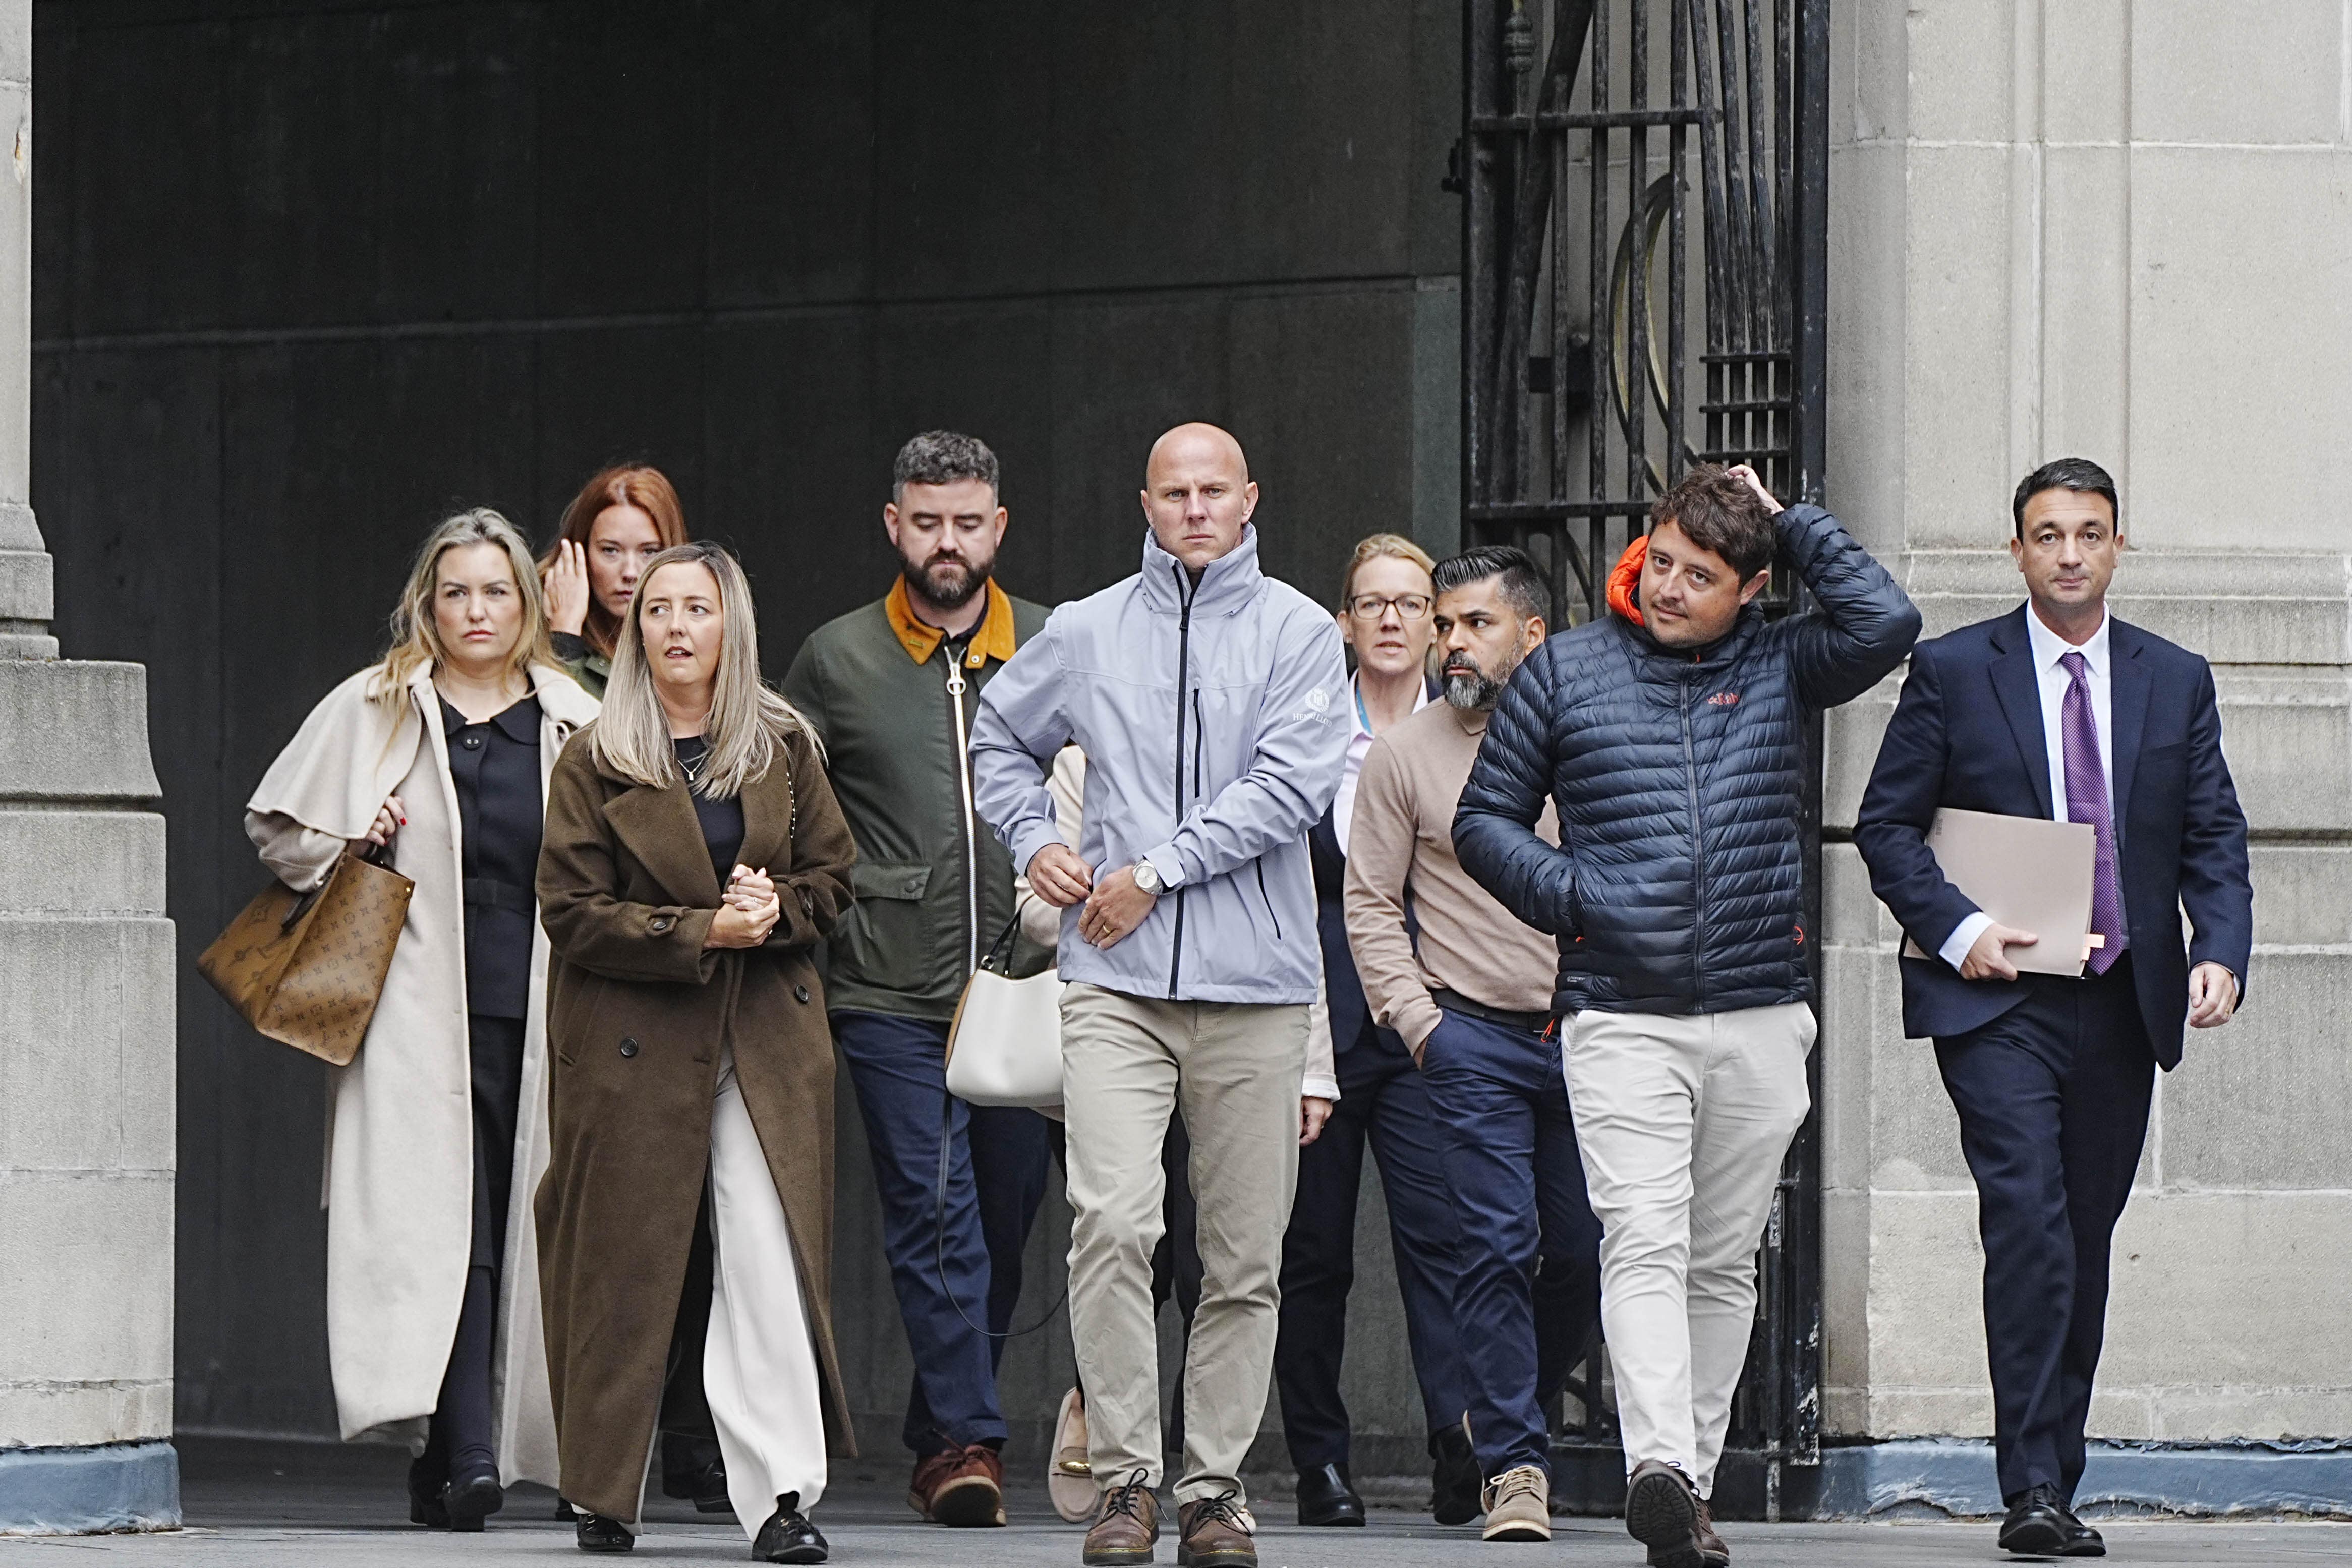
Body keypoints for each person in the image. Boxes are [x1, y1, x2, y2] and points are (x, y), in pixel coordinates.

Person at [1457, 466, 1919, 1568]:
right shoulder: (1566, 667)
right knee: (1644, 1238)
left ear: (1750, 589)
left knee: (1720, 1263)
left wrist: (1792, 516)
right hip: (1621, 1012)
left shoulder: (1784, 659)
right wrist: (1576, 898)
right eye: (1658, 560)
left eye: (1698, 575)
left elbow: (1887, 620)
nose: (1665, 586)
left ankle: (1689, 1488)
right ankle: (1657, 1461)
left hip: (1761, 1012)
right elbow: (1485, 822)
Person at [1854, 458, 2251, 1560]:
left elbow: (2213, 833)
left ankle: (2053, 1476)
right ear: (2015, 550)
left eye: (2089, 533)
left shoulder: (2175, 678)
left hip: (2125, 995)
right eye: (2047, 534)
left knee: (2078, 1235)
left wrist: (2220, 948)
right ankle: (2030, 1488)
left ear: (2119, 545)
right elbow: (1887, 828)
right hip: (1999, 999)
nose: (2069, 553)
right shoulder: (1950, 670)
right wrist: (1964, 928)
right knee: (2025, 1217)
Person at [969, 422, 1347, 1568]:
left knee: (1242, 1256)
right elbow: (999, 738)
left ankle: (1215, 1492)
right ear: (1145, 499)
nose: (1193, 508)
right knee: (1114, 1223)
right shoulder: (1084, 629)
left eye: (1212, 490)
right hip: (1113, 984)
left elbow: (1292, 786)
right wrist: (1036, 838)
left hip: (1255, 988)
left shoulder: (1297, 631)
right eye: (1173, 491)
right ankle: (1126, 1479)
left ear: (1250, 499)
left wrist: (1155, 872)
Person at [243, 508, 595, 1531]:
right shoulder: (379, 704)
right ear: (427, 605)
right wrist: (356, 831)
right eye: (457, 592)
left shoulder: (573, 713)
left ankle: (452, 1450)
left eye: (495, 591)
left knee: (512, 1212)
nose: (476, 611)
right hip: (407, 1003)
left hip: (538, 1003)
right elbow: (277, 821)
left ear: (527, 603)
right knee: (446, 1222)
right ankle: (472, 1449)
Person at [535, 542, 857, 1563]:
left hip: (761, 1034)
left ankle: (780, 1501)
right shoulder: (595, 755)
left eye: (699, 609)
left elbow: (835, 878)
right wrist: (694, 931)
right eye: (659, 609)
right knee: (626, 1260)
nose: (677, 626)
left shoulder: (781, 743)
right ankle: (604, 1490)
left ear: (732, 628)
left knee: (766, 1257)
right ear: (635, 631)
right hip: (637, 1037)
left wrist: (776, 907)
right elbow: (571, 911)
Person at [781, 431, 1055, 1527]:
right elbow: (790, 799)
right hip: (887, 985)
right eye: (927, 521)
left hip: (1027, 978)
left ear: (999, 527)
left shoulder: (1050, 642)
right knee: (931, 1206)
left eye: (968, 520)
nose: (948, 541)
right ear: (894, 526)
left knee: (1003, 1211)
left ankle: (943, 1417)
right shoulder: (835, 658)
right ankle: (966, 1440)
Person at [1343, 545, 1602, 1542]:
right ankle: (1516, 1464)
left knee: (1579, 1254)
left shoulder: (1585, 741)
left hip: (1584, 1037)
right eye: (1443, 624)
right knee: (1493, 1247)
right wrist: (1421, 1026)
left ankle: (1492, 1411)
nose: (1448, 641)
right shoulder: (1405, 754)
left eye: (1472, 624)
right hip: (1470, 1041)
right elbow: (1370, 905)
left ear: (1530, 635)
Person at [1273, 533, 1476, 1529]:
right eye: (1373, 603)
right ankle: (1321, 1461)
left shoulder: (1468, 733)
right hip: (1314, 1026)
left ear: (1437, 625)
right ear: (1345, 621)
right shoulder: (1305, 735)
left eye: (1412, 603)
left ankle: (1457, 1442)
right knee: (1312, 1253)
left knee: (1440, 1240)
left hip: (1423, 1023)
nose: (1392, 619)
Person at [539, 463, 690, 698]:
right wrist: (564, 637)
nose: (630, 572)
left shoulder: (697, 634)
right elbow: (556, 727)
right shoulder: (531, 627)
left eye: (649, 552)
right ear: (581, 554)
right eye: (611, 551)